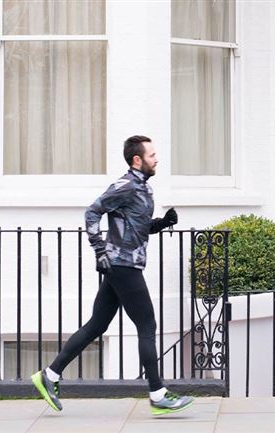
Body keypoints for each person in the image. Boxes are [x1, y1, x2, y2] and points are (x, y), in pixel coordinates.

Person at [31, 135, 195, 416]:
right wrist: (100, 251)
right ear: (137, 160)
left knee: (97, 325)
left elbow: (136, 228)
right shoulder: (125, 185)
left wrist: (161, 224)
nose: (157, 159)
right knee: (147, 325)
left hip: (125, 264)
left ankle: (50, 374)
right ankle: (157, 394)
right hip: (122, 266)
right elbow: (92, 212)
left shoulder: (143, 189)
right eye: (152, 155)